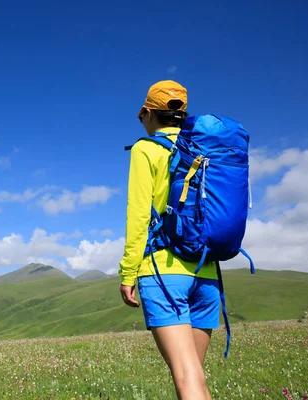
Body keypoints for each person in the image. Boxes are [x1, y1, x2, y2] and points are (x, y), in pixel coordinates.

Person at [118, 80, 220, 400]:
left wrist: (127, 273)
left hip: (163, 273)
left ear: (148, 113)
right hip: (206, 274)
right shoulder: (204, 150)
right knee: (196, 378)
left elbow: (138, 217)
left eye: (141, 116)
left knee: (187, 379)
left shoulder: (145, 149)